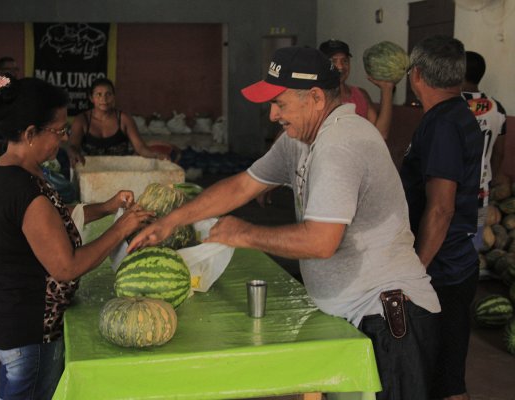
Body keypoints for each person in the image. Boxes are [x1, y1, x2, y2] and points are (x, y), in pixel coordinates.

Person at [129, 46, 441, 400]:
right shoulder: (301, 138)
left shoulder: (340, 144)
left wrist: (245, 232)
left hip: (386, 319)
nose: (273, 114)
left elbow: (321, 242)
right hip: (351, 315)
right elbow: (244, 184)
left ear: (316, 98)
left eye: (280, 103)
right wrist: (172, 220)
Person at [0, 74, 154, 400]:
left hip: (20, 321)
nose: (63, 138)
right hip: (31, 331)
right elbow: (65, 267)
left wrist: (108, 206)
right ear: (30, 133)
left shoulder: (13, 170)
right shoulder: (22, 189)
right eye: (59, 131)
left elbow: (54, 217)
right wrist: (120, 228)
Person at [399, 36, 484, 400]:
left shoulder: (443, 125)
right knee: (445, 375)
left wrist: (416, 269)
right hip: (454, 263)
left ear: (417, 74)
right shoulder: (455, 114)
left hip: (443, 271)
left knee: (445, 382)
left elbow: (441, 207)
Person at [461, 50, 508, 251]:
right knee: (475, 238)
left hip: (452, 186)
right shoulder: (497, 108)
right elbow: (499, 151)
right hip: (481, 187)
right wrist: (492, 175)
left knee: (449, 238)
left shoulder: (450, 106)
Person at [67, 78, 168, 166]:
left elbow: (140, 148)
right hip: (91, 172)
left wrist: (156, 155)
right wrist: (73, 153)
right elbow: (72, 146)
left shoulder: (124, 119)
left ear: (114, 96)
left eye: (108, 94)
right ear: (91, 98)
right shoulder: (82, 120)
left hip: (120, 171)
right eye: (99, 94)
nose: (104, 99)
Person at [319, 39, 395, 140]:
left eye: (345, 61)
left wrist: (387, 89)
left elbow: (380, 135)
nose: (340, 66)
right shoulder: (316, 98)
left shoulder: (360, 95)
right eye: (333, 61)